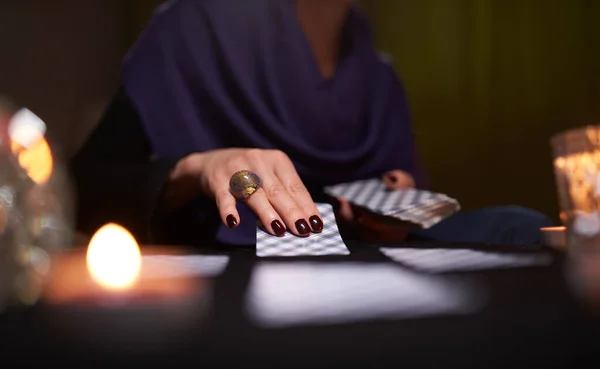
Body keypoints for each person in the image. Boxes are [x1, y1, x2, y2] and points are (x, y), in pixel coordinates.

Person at [70, 0, 552, 248]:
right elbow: (80, 194)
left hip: (365, 278)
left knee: (523, 230)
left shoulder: (378, 77)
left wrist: (394, 212)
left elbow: (409, 212)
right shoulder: (194, 28)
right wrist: (198, 168)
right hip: (229, 270)